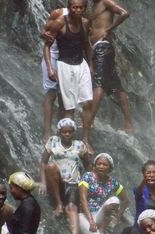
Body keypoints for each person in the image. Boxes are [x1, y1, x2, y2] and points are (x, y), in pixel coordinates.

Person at [44, 0, 95, 154]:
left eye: (81, 7)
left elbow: (87, 44)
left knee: (87, 103)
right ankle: (67, 142)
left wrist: (91, 65)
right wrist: (50, 68)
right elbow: (46, 46)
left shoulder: (85, 23)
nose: (77, 10)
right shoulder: (60, 22)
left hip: (81, 64)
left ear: (85, 8)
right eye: (74, 7)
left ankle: (85, 140)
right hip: (65, 66)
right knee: (69, 108)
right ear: (69, 7)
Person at [39, 118, 91, 234]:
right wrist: (43, 182)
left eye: (70, 132)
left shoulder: (80, 145)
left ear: (73, 132)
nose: (67, 134)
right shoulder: (53, 141)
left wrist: (87, 186)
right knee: (51, 166)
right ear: (59, 132)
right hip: (56, 181)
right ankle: (59, 204)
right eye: (64, 132)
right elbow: (43, 162)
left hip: (73, 182)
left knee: (72, 208)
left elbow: (88, 167)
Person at [78, 153, 129, 234]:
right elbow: (83, 199)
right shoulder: (88, 177)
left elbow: (125, 200)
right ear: (94, 166)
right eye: (99, 164)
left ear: (110, 168)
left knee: (114, 200)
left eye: (104, 164)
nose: (101, 166)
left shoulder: (113, 183)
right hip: (84, 215)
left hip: (99, 214)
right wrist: (90, 221)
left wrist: (117, 217)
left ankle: (102, 229)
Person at [89, 0, 133, 134]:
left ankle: (89, 120)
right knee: (116, 87)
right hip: (98, 48)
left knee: (99, 84)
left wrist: (109, 29)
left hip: (103, 47)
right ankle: (128, 123)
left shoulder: (106, 2)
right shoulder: (94, 5)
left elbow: (124, 14)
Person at [39, 6, 68, 143]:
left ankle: (61, 131)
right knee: (51, 94)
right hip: (52, 57)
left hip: (68, 60)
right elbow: (44, 32)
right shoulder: (58, 13)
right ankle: (47, 133)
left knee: (64, 98)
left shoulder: (84, 18)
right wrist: (43, 34)